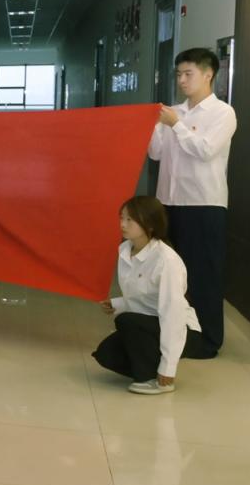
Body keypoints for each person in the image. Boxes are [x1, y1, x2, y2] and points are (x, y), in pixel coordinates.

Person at [149, 47, 236, 358]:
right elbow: (155, 153)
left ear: (208, 74)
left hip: (203, 204)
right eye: (178, 74)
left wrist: (175, 124)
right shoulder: (173, 112)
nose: (182, 80)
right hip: (168, 202)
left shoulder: (223, 113)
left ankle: (208, 340)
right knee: (169, 275)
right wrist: (152, 125)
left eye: (189, 74)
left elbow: (205, 151)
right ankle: (173, 335)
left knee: (203, 274)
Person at [93, 196, 203, 394]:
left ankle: (155, 379)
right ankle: (150, 368)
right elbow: (144, 295)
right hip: (150, 323)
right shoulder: (125, 250)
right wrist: (118, 304)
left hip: (182, 330)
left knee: (126, 321)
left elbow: (173, 314)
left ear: (150, 225)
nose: (122, 224)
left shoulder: (166, 260)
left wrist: (168, 367)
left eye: (130, 220)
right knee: (106, 354)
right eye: (121, 218)